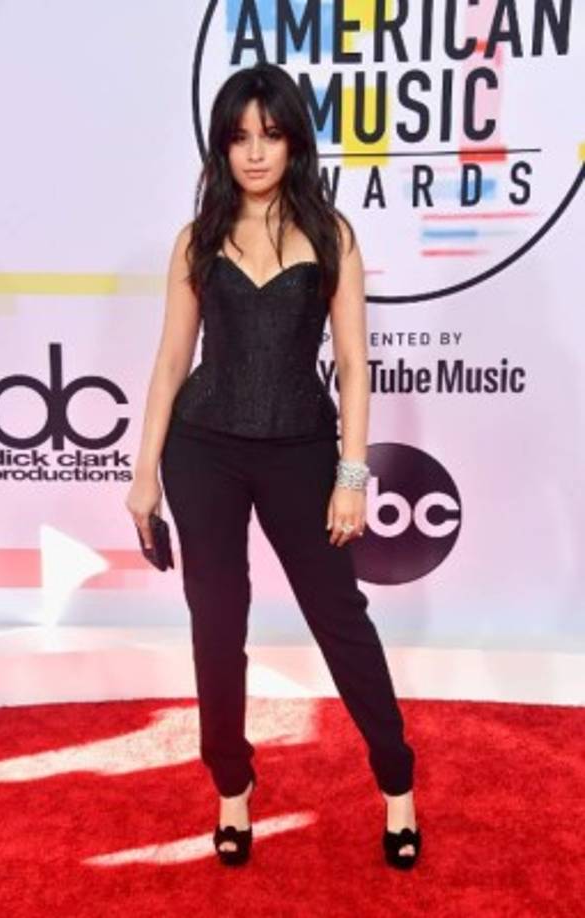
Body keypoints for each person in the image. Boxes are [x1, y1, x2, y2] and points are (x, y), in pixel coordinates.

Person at [126, 62, 421, 870]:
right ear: (221, 147)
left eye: (271, 134)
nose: (255, 153)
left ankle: (397, 785)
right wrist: (144, 471)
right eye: (239, 137)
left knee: (340, 619)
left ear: (295, 140)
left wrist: (351, 475)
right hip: (203, 449)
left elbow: (355, 365)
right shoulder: (197, 238)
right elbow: (168, 360)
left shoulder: (332, 234)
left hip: (299, 449)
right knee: (217, 629)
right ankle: (232, 790)